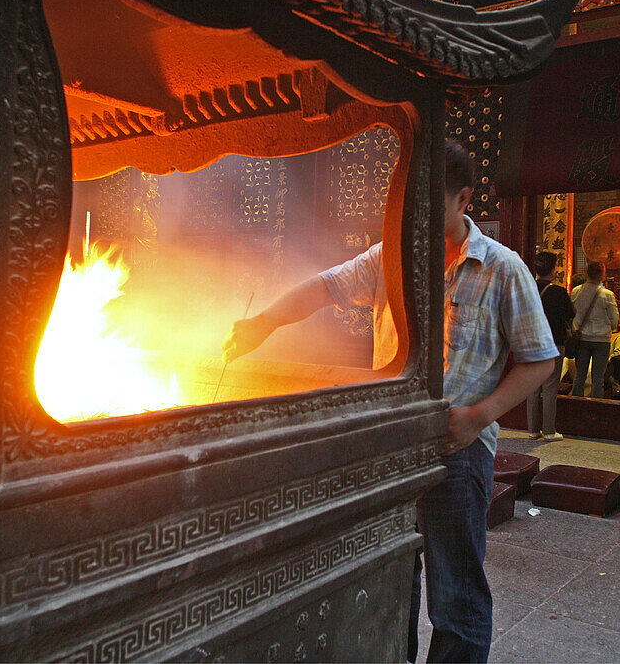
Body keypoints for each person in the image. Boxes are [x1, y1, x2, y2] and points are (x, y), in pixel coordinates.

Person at [222, 140, 558, 663]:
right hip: (391, 450)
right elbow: (322, 288)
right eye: (405, 207)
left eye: (428, 206)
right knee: (393, 577)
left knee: (456, 598)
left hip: (459, 451)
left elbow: (540, 359)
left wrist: (478, 417)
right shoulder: (389, 259)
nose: (413, 220)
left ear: (463, 198)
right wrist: (263, 323)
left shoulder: (502, 268)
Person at [526, 251, 573, 440]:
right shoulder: (559, 292)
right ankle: (549, 431)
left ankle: (532, 430)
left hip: (530, 344)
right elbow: (570, 314)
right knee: (550, 386)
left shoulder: (527, 289)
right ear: (553, 270)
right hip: (553, 342)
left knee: (532, 387)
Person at [569, 261, 619, 398]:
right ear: (602, 275)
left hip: (581, 338)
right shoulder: (607, 295)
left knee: (579, 376)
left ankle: (576, 405)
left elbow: (571, 313)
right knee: (598, 379)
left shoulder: (576, 291)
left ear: (587, 273)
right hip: (601, 340)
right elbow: (614, 320)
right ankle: (596, 409)